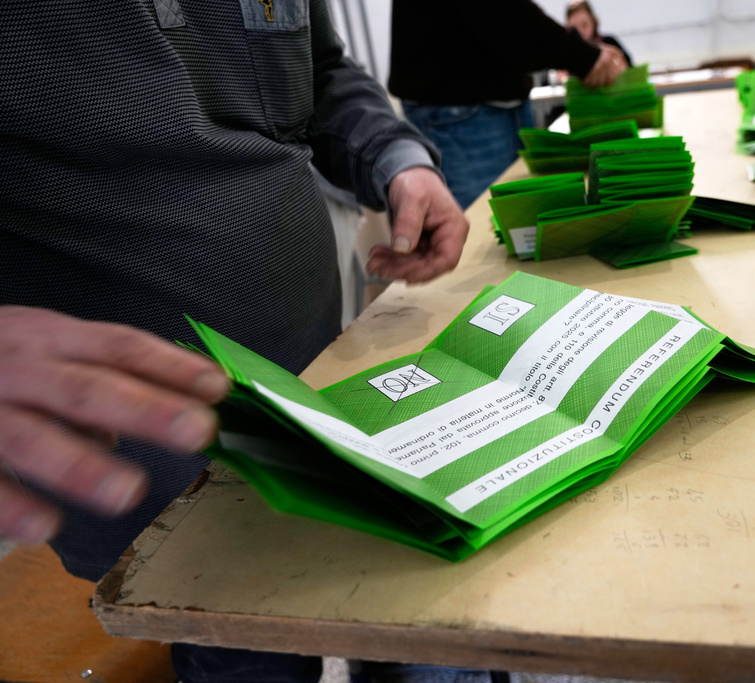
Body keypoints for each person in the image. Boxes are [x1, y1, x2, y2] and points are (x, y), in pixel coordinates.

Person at [1, 1, 468, 681]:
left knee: (400, 616)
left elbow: (323, 76)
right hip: (160, 471)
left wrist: (398, 161)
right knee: (249, 657)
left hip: (324, 398)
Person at [388, 0, 627, 209]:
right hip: (461, 113)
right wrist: (577, 54)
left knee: (515, 233)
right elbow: (501, 9)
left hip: (491, 106)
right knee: (481, 242)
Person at [565, 0, 633, 68]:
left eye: (584, 25)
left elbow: (629, 65)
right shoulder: (566, 55)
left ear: (593, 22)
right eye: (574, 28)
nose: (580, 31)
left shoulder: (610, 43)